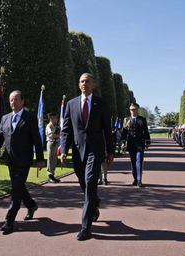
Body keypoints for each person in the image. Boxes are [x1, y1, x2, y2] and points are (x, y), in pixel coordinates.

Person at [60, 73, 114, 241]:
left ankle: (85, 227)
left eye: (87, 81)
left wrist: (110, 151)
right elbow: (66, 130)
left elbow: (107, 130)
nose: (84, 83)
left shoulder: (101, 104)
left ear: (93, 84)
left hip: (95, 151)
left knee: (90, 182)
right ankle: (94, 203)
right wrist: (63, 150)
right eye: (82, 81)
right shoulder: (71, 104)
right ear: (79, 84)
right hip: (77, 151)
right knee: (84, 184)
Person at [0, 90, 45, 234]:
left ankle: (9, 221)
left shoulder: (30, 117)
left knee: (16, 190)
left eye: (16, 99)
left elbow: (37, 139)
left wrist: (39, 159)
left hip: (24, 160)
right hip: (10, 160)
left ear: (22, 101)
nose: (13, 102)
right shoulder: (5, 118)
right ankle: (31, 205)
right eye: (11, 100)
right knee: (18, 187)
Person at [121, 103, 151, 187]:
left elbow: (146, 131)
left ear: (137, 110)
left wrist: (147, 141)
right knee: (133, 162)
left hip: (140, 143)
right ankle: (135, 178)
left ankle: (139, 180)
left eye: (134, 109)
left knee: (139, 161)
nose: (132, 111)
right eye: (131, 109)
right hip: (131, 143)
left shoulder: (142, 119)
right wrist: (123, 142)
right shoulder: (126, 119)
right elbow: (124, 132)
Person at [45, 113, 61, 183]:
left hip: (56, 143)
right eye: (55, 118)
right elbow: (51, 135)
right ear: (51, 119)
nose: (56, 119)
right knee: (50, 159)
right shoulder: (49, 126)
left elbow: (58, 134)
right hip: (51, 143)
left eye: (56, 118)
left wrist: (57, 135)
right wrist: (58, 135)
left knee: (54, 159)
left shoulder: (57, 126)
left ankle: (53, 175)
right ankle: (50, 175)